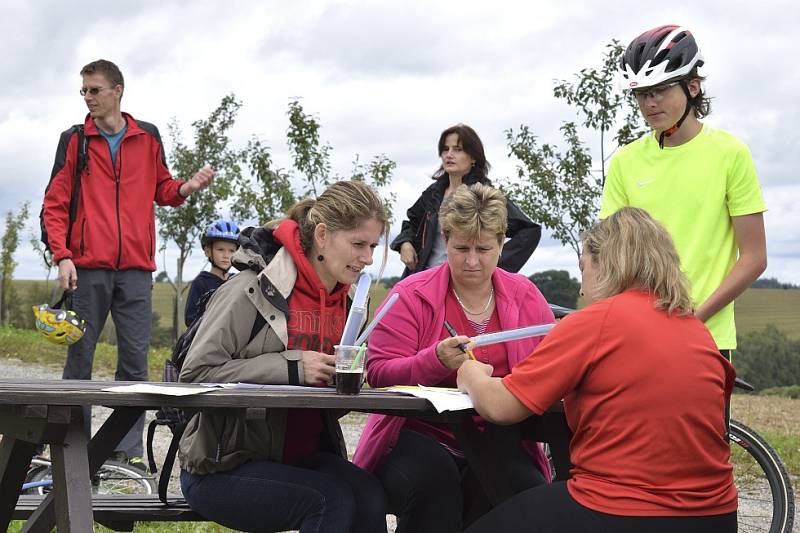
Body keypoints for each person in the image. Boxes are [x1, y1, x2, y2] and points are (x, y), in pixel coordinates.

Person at [458, 207, 738, 533]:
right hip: (716, 514)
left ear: (605, 264)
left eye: (583, 268)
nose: (581, 288)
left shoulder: (598, 320)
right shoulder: (694, 328)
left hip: (622, 509)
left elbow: (501, 406)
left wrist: (471, 374)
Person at [178, 180, 389, 533]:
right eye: (358, 244)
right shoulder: (249, 288)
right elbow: (196, 374)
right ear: (322, 235)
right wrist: (292, 367)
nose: (367, 258)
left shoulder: (352, 304)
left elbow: (322, 399)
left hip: (301, 460)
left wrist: (343, 382)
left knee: (369, 493)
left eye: (372, 246)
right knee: (328, 500)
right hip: (223, 466)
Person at [42, 59, 214, 468]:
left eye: (94, 90)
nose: (88, 97)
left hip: (137, 269)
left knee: (135, 363)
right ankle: (73, 448)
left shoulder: (148, 137)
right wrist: (63, 256)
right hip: (88, 268)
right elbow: (55, 202)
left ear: (118, 90)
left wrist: (186, 188)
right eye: (83, 91)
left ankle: (126, 450)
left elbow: (163, 189)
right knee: (79, 359)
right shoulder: (75, 140)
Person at [354, 183, 554, 533]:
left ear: (502, 242)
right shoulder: (410, 294)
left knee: (532, 501)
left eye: (484, 248)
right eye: (461, 248)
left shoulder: (527, 297)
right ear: (445, 240)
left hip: (501, 436)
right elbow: (378, 372)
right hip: (417, 434)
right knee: (436, 490)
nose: (472, 260)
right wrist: (434, 361)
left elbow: (550, 368)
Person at [602, 25, 767, 355]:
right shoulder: (625, 161)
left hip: (706, 337)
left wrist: (695, 318)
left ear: (692, 87)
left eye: (660, 89)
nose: (650, 102)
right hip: (638, 334)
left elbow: (754, 257)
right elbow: (608, 253)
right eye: (641, 93)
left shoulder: (730, 153)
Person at [391, 123, 541, 278]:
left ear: (473, 157)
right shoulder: (433, 194)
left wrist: (493, 265)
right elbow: (412, 223)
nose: (449, 154)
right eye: (445, 149)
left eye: (457, 149)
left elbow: (530, 231)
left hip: (463, 284)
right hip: (424, 279)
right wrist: (405, 243)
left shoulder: (483, 196)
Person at [184, 219, 240, 326]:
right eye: (220, 249)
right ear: (207, 251)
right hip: (208, 340)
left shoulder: (237, 281)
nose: (226, 255)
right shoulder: (201, 282)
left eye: (232, 251)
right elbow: (190, 319)